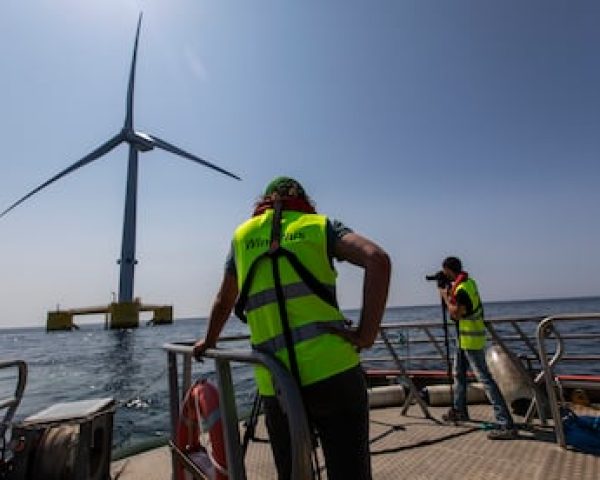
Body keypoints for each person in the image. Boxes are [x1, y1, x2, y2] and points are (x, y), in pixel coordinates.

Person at [193, 176, 391, 479]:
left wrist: (208, 341)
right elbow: (377, 259)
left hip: (276, 382)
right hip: (334, 374)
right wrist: (366, 334)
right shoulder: (319, 226)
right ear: (303, 198)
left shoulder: (242, 237)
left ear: (265, 198)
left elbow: (224, 299)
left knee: (292, 473)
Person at [437, 256, 517, 440]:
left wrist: (443, 294)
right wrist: (449, 292)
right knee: (459, 375)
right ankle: (459, 410)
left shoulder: (463, 289)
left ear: (449, 270)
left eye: (445, 272)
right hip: (463, 339)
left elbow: (456, 314)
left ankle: (506, 424)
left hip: (471, 340)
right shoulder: (466, 283)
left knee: (486, 380)